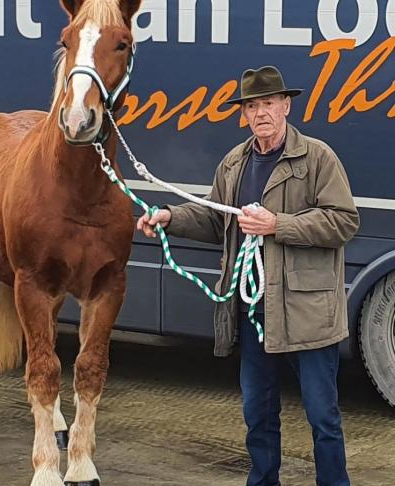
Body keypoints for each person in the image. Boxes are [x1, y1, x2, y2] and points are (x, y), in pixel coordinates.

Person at [137, 66, 359, 486]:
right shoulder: (234, 163)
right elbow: (212, 218)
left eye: (269, 104)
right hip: (252, 312)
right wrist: (169, 217)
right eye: (252, 106)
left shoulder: (317, 158)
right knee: (257, 415)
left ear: (286, 106)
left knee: (322, 418)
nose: (261, 113)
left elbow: (343, 222)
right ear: (244, 115)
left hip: (307, 314)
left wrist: (279, 225)